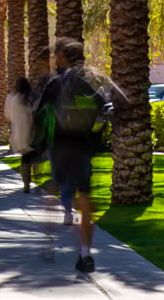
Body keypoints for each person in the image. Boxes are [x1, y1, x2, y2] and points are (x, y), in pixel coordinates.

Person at [35, 37, 115, 274]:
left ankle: (49, 241)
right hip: (81, 149)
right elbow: (103, 108)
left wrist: (38, 141)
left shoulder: (55, 83)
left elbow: (39, 112)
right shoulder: (87, 85)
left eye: (58, 55)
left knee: (53, 191)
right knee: (84, 198)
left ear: (63, 58)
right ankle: (85, 255)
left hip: (59, 147)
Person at [4, 77, 34, 192]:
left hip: (19, 133)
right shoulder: (30, 98)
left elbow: (7, 115)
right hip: (31, 131)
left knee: (25, 159)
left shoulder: (12, 99)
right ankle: (30, 181)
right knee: (31, 157)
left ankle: (26, 183)